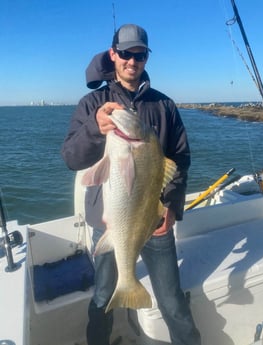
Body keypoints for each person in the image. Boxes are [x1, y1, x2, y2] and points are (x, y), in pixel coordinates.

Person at [61, 24, 201, 345]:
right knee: (101, 298)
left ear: (146, 58)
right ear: (113, 55)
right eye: (125, 53)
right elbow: (71, 157)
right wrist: (96, 129)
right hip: (110, 222)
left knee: (172, 301)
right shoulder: (91, 103)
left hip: (155, 219)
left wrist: (173, 207)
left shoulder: (165, 105)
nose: (132, 61)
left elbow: (180, 158)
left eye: (139, 55)